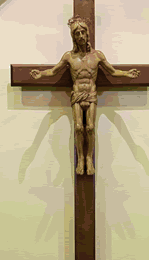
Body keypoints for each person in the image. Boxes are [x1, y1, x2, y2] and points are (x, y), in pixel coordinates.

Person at [30, 16, 139, 175]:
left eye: (83, 32)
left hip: (91, 93)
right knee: (79, 127)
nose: (80, 36)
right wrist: (40, 74)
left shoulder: (97, 55)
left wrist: (128, 74)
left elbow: (113, 71)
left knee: (90, 127)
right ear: (73, 37)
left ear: (87, 34)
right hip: (77, 94)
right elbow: (54, 71)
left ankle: (89, 158)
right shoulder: (69, 56)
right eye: (77, 33)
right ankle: (80, 158)